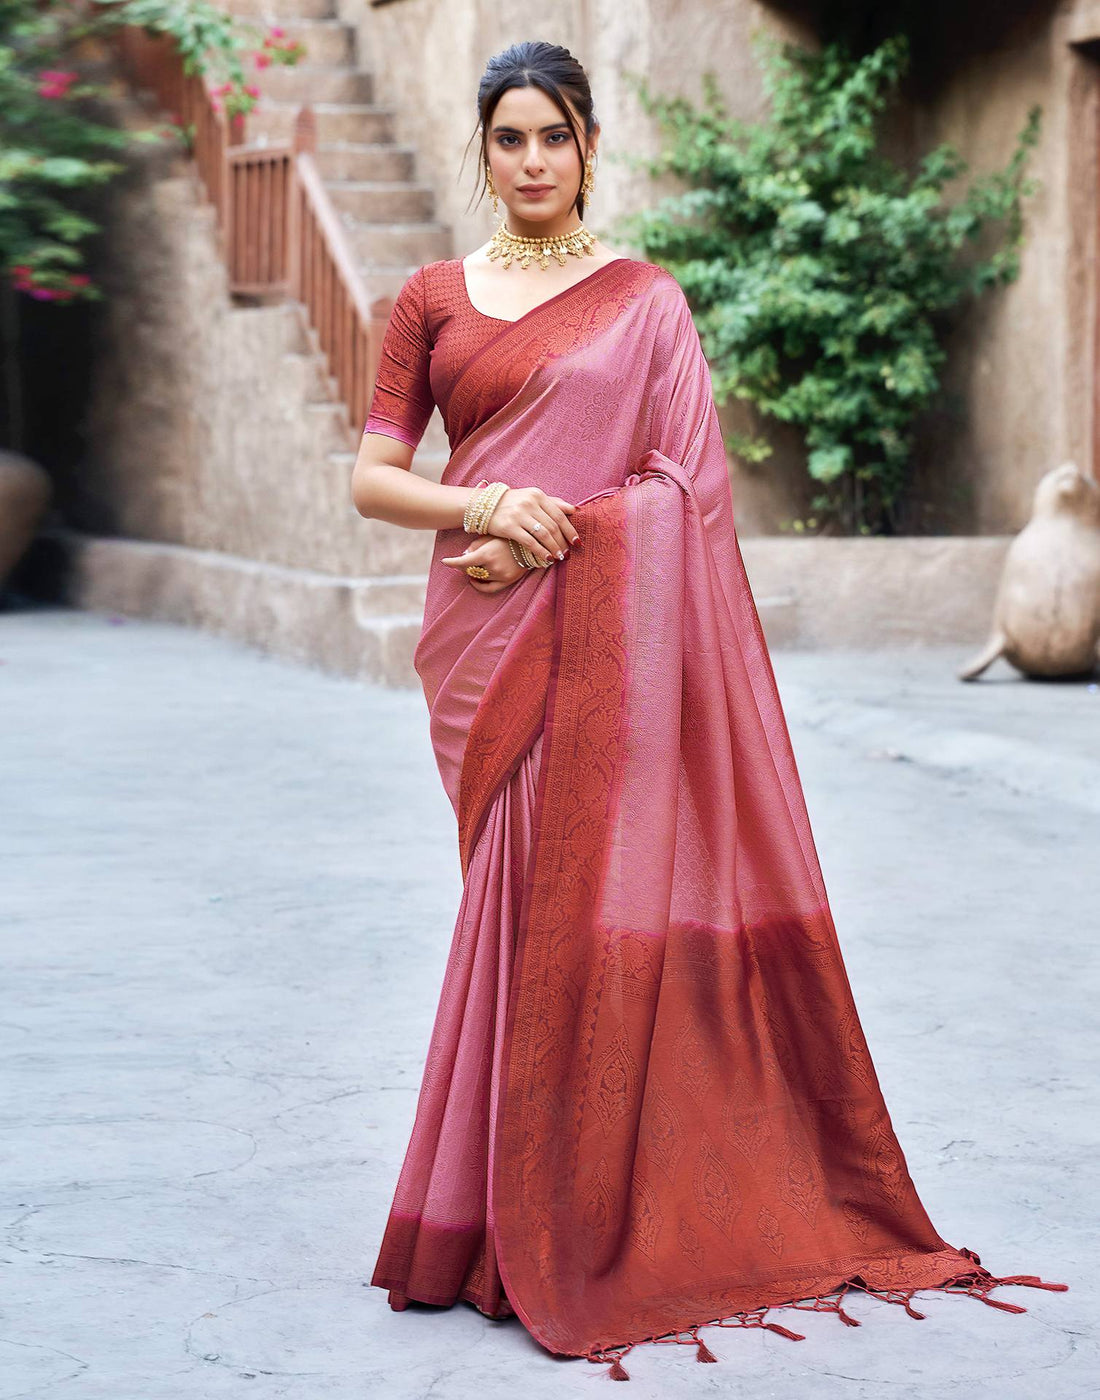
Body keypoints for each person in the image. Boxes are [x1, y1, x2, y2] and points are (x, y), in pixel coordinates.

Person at [350, 39, 1066, 1382]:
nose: (531, 162)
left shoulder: (646, 303)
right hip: (482, 642)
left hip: (587, 638)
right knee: (504, 914)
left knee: (562, 916)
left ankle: (539, 1223)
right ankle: (485, 1217)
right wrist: (488, 509)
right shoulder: (430, 301)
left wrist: (566, 540)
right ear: (482, 150)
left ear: (589, 145)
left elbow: (688, 491)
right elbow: (375, 481)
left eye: (553, 136)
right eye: (507, 139)